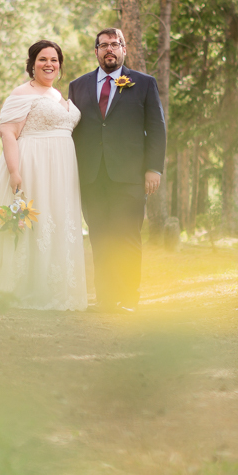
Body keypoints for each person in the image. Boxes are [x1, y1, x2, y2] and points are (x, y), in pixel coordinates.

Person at [0, 40, 88, 311]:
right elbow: (8, 134)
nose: (49, 64)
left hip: (62, 171)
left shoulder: (57, 95)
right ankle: (25, 287)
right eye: (42, 59)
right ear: (32, 64)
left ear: (60, 65)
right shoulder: (22, 93)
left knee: (57, 222)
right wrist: (15, 172)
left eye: (54, 59)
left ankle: (55, 287)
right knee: (34, 226)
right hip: (34, 167)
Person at [68, 28, 166, 313]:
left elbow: (157, 127)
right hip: (92, 176)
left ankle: (128, 297)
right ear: (96, 51)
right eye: (104, 45)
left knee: (127, 236)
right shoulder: (78, 86)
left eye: (115, 44)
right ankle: (105, 298)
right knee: (100, 237)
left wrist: (153, 168)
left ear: (124, 49)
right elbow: (73, 130)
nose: (109, 49)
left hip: (130, 176)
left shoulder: (144, 83)